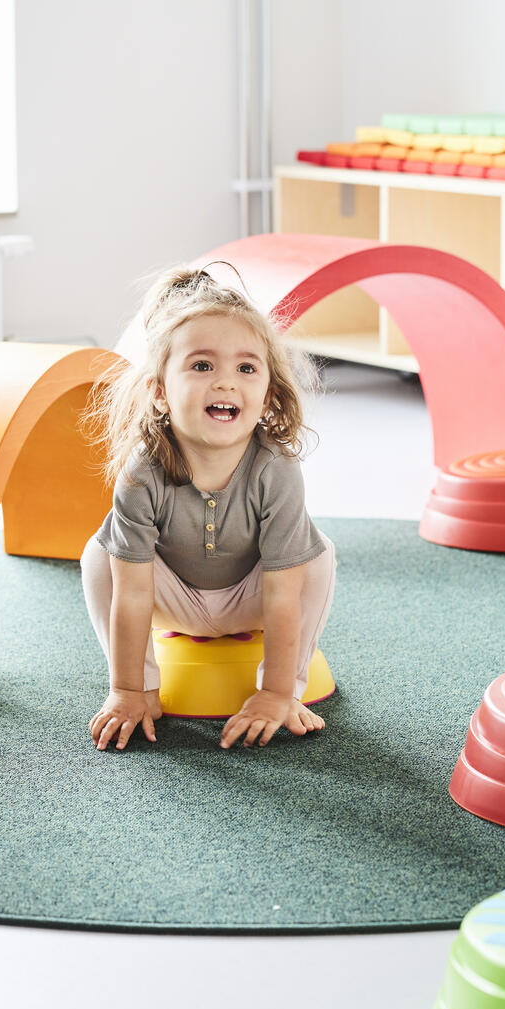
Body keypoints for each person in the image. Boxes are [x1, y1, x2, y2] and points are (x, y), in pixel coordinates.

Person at [83, 266, 338, 751]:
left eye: (246, 369)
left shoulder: (275, 469)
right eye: (202, 366)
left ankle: (288, 689)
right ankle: (142, 686)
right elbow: (132, 593)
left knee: (319, 553)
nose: (225, 382)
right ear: (159, 391)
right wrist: (128, 689)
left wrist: (275, 693)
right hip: (171, 601)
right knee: (99, 554)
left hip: (252, 599)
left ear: (268, 394)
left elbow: (283, 593)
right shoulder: (143, 471)